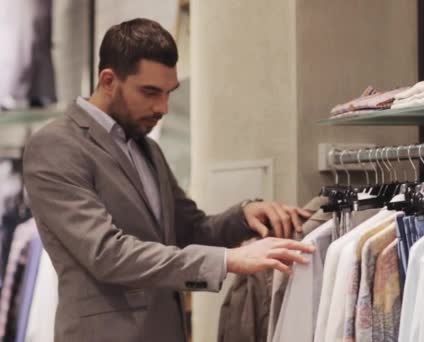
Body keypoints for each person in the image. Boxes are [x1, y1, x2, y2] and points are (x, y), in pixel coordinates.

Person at [23, 18, 314, 342]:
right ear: (108, 80)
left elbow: (190, 230)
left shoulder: (148, 149)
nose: (162, 107)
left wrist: (243, 216)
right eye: (150, 92)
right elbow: (106, 254)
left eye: (167, 93)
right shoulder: (56, 146)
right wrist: (229, 261)